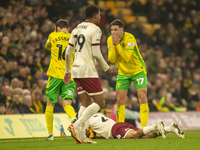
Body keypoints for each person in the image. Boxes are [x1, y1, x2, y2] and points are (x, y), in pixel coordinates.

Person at [63, 5, 112, 144]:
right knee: (99, 102)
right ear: (96, 15)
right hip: (87, 70)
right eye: (100, 15)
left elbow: (67, 52)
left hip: (75, 69)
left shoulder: (76, 28)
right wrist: (106, 68)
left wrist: (67, 71)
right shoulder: (96, 30)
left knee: (85, 101)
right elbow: (96, 53)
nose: (100, 18)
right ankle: (77, 125)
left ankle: (82, 135)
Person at [107, 19, 149, 127]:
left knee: (142, 97)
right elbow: (111, 59)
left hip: (137, 70)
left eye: (115, 29)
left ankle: (144, 128)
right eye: (111, 30)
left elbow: (126, 57)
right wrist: (114, 45)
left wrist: (117, 44)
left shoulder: (130, 38)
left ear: (122, 30)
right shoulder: (109, 40)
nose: (113, 32)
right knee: (120, 99)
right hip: (123, 72)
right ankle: (120, 127)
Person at [45, 19, 77, 141]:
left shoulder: (53, 35)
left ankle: (50, 134)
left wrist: (54, 33)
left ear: (57, 28)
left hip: (55, 75)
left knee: (50, 103)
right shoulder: (73, 37)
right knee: (67, 103)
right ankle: (73, 118)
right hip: (70, 75)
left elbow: (47, 46)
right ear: (68, 29)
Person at [83, 114, 185, 141]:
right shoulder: (96, 115)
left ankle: (155, 126)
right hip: (120, 124)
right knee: (147, 137)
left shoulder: (85, 119)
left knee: (135, 136)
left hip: (114, 130)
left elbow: (84, 135)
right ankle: (170, 129)